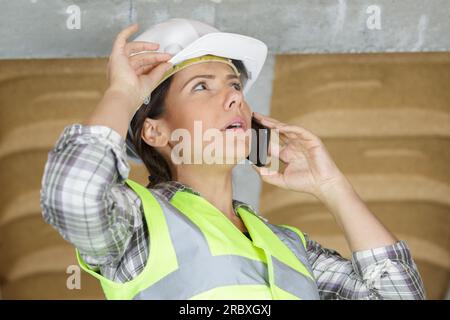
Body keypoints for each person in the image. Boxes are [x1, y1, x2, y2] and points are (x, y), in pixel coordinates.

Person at [40, 18, 425, 300]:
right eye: (202, 86)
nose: (234, 98)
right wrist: (122, 93)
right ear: (154, 131)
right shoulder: (138, 224)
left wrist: (333, 188)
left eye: (235, 85)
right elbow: (74, 194)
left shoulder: (290, 246)